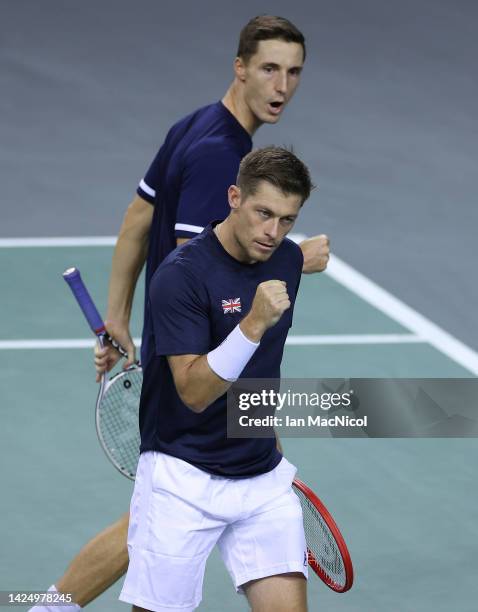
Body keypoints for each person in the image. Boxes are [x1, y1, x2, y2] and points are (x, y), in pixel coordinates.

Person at [30, 15, 328, 612]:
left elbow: (136, 220)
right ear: (239, 67)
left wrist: (118, 317)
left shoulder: (195, 125)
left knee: (142, 519)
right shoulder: (227, 159)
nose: (283, 86)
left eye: (294, 72)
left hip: (189, 355)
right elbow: (202, 268)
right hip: (200, 370)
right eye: (269, 68)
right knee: (157, 512)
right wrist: (292, 259)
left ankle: (45, 607)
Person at [121, 146, 313, 611]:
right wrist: (251, 324)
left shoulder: (286, 261)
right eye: (263, 213)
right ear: (233, 197)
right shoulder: (180, 277)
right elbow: (193, 391)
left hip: (259, 478)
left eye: (287, 220)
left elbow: (264, 368)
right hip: (182, 479)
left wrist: (269, 439)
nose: (273, 232)